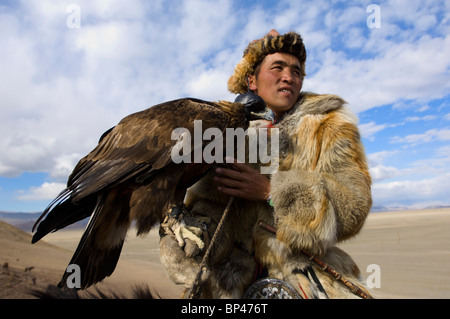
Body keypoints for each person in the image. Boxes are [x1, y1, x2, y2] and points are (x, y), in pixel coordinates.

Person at [159, 30, 373, 299]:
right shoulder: (224, 134)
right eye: (278, 67)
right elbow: (209, 210)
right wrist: (189, 242)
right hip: (230, 281)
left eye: (296, 71)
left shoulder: (329, 126)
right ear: (252, 80)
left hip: (305, 274)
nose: (289, 77)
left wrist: (272, 192)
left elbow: (353, 208)